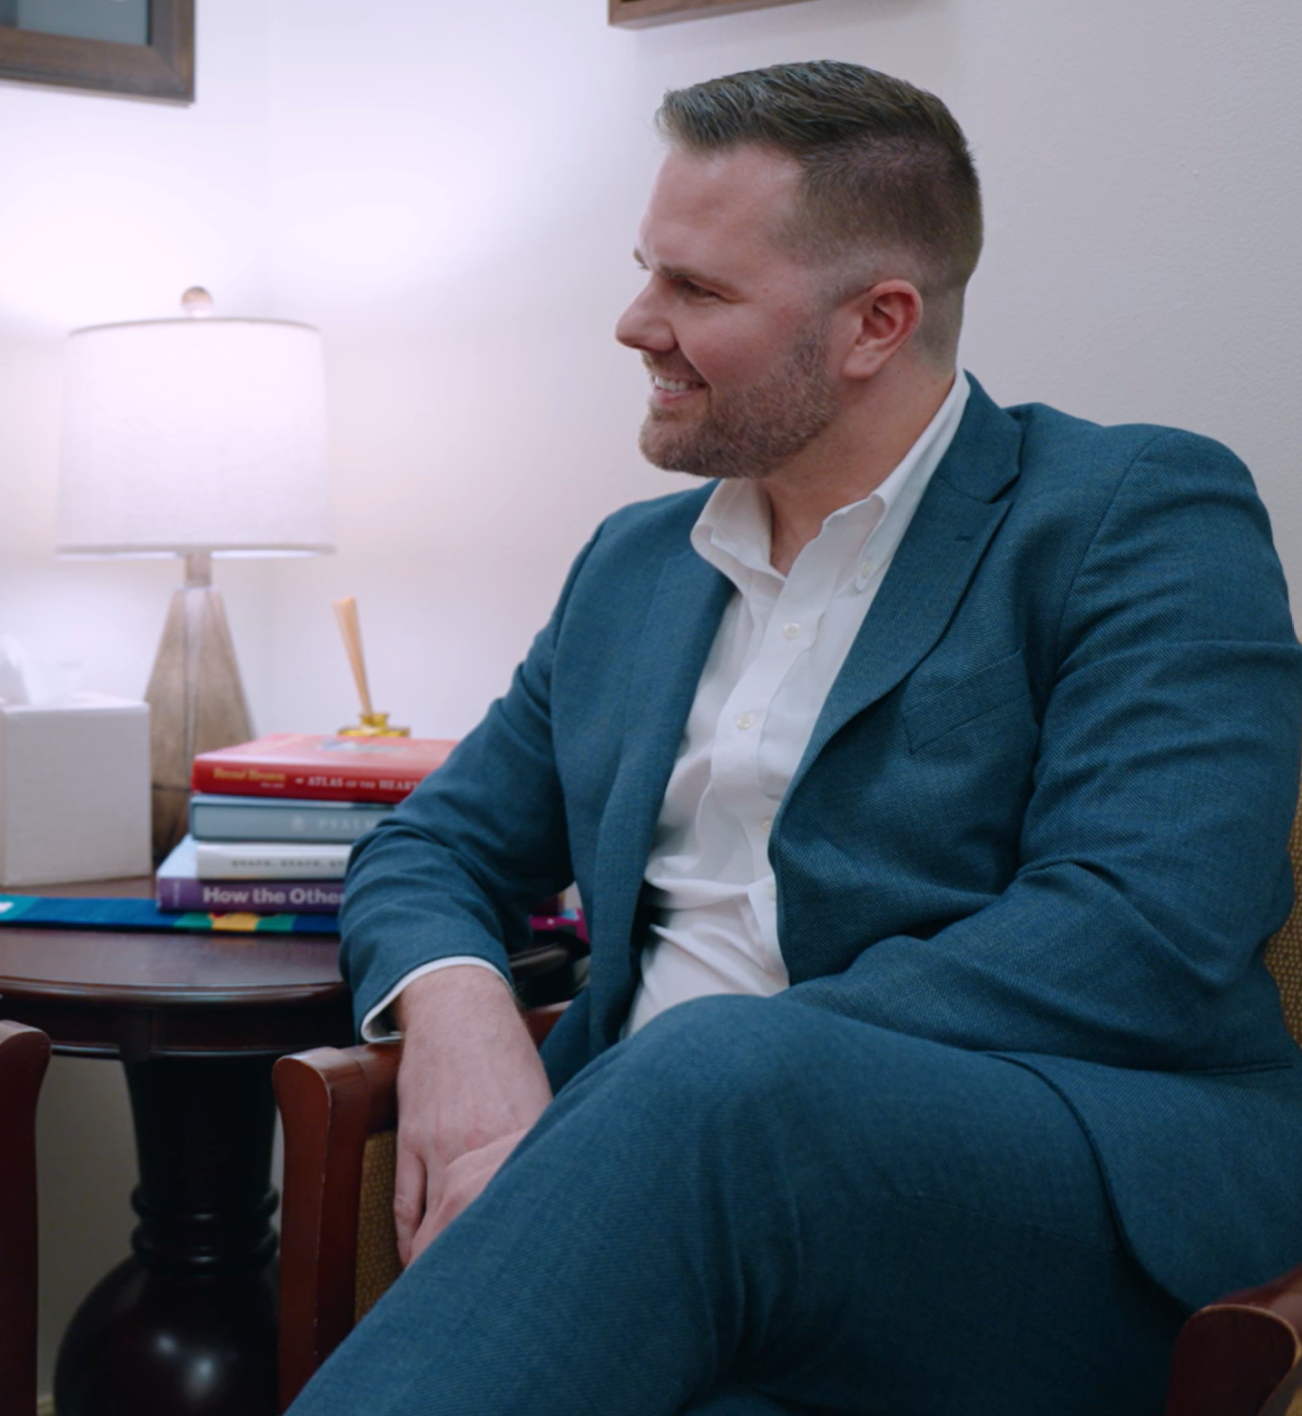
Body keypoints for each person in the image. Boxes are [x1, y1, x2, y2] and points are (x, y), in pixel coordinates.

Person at [291, 61, 1302, 1416]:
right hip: (695, 1208)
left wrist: (684, 1088)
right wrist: (463, 1012)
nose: (633, 323)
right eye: (649, 269)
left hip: (1063, 1200)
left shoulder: (1131, 511)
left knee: (717, 1070)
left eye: (697, 291)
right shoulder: (635, 567)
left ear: (876, 324)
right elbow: (434, 845)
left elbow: (1148, 928)